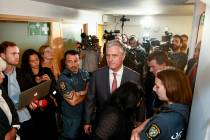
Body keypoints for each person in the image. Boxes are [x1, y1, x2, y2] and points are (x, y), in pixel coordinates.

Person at [84, 40, 144, 136]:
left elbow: (140, 101)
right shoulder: (97, 75)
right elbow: (90, 100)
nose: (110, 59)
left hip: (125, 125)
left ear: (123, 56)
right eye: (108, 55)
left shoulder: (134, 76)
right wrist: (87, 121)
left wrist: (140, 120)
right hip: (102, 123)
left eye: (114, 55)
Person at [131, 68, 192, 140]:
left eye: (157, 86)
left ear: (171, 88)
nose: (154, 89)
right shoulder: (183, 107)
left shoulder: (162, 121)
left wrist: (135, 132)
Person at [21, 49, 58, 140]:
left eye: (37, 59)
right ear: (27, 62)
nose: (35, 63)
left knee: (51, 132)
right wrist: (35, 83)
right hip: (34, 111)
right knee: (37, 134)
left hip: (48, 107)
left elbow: (55, 90)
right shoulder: (23, 75)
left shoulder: (47, 71)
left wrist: (49, 81)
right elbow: (25, 93)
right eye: (32, 61)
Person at [0, 41, 33, 140]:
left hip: (26, 117)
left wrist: (32, 101)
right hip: (8, 125)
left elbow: (30, 93)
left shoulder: (24, 73)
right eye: (13, 53)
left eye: (18, 53)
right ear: (3, 55)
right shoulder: (0, 77)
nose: (17, 56)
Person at [57, 50, 89, 140]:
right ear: (65, 62)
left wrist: (79, 93)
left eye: (75, 61)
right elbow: (73, 101)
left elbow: (90, 84)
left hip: (85, 114)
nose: (73, 64)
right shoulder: (63, 79)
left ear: (79, 61)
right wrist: (87, 92)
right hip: (71, 118)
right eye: (69, 61)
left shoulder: (84, 73)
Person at [144, 50, 171, 118]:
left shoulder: (174, 83)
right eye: (149, 67)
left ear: (163, 65)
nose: (150, 70)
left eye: (153, 66)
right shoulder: (151, 78)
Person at [0, 57, 20, 140]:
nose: (3, 76)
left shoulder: (1, 89)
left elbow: (13, 111)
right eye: (0, 72)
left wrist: (14, 129)